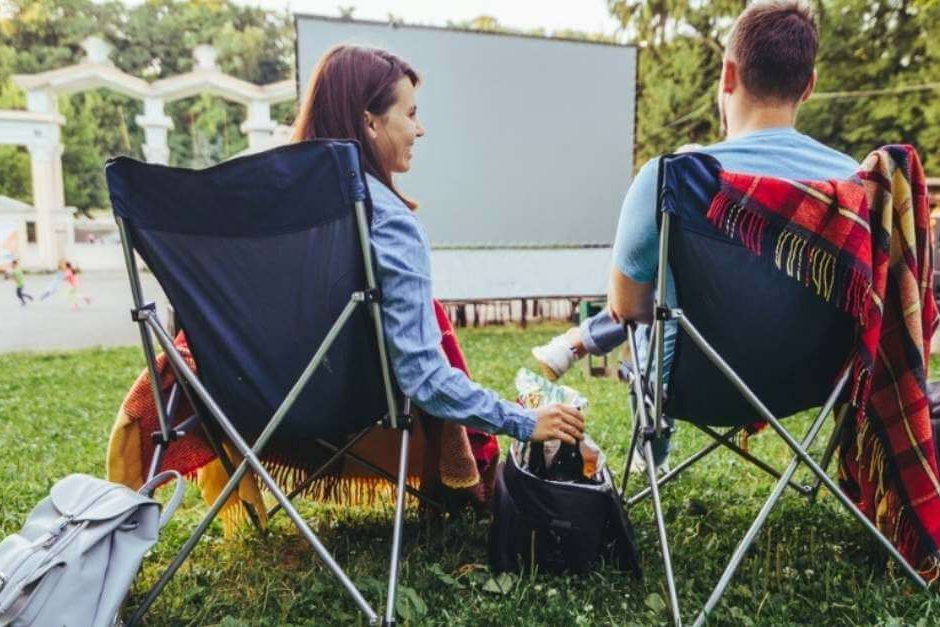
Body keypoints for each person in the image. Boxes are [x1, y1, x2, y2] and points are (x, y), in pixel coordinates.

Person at [530, 0, 860, 471]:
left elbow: (626, 307)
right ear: (808, 87)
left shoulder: (671, 178)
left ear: (727, 76)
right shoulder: (859, 188)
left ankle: (651, 452)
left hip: (698, 387)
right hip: (816, 385)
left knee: (653, 293)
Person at [292, 45, 584, 446]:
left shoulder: (274, 208)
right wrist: (523, 420)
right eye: (410, 114)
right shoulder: (388, 221)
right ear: (370, 123)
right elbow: (423, 375)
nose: (420, 129)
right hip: (342, 409)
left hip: (245, 405)